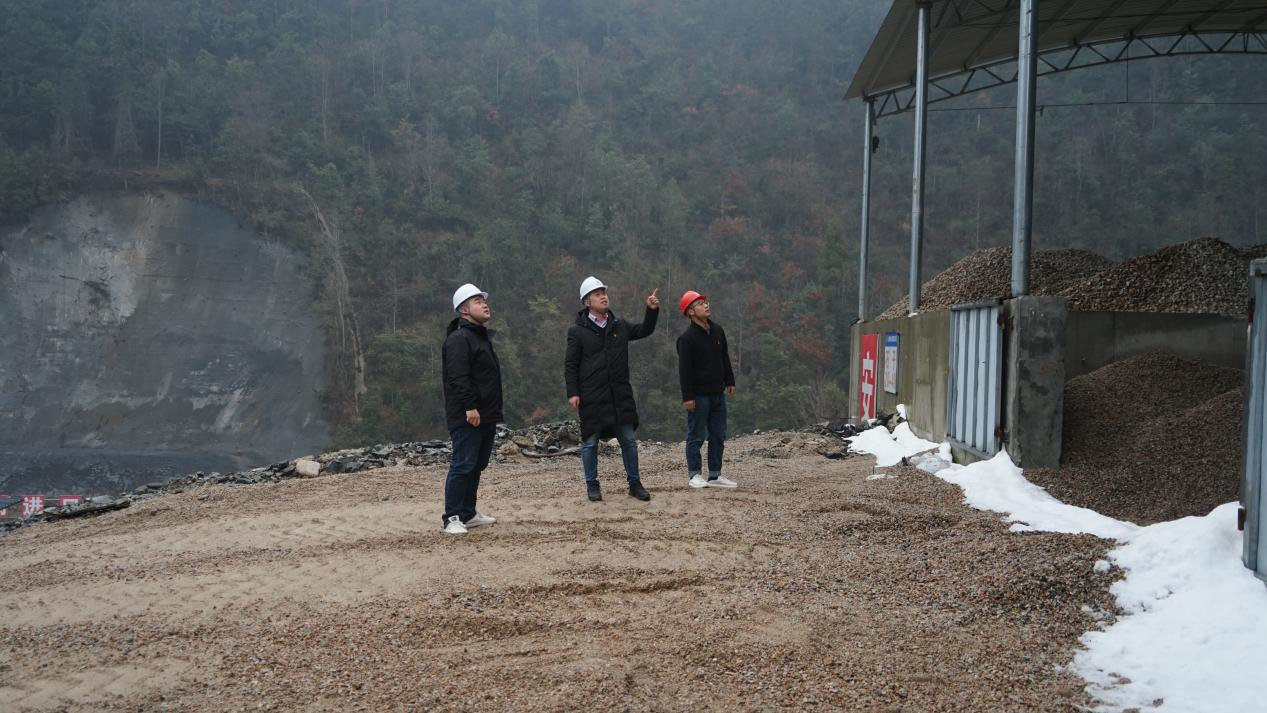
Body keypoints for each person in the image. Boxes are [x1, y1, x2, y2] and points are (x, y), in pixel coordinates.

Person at [565, 276, 660, 502]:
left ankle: (635, 484)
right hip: (592, 396)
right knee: (590, 442)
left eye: (604, 293)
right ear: (586, 301)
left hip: (619, 394)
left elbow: (644, 330)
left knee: (628, 440)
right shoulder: (577, 331)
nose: (603, 297)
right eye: (597, 294)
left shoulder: (619, 325)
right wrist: (573, 392)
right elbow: (571, 364)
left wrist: (651, 310)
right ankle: (592, 485)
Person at [440, 283, 503, 534]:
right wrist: (470, 406)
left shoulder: (479, 337)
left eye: (483, 300)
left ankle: (468, 513)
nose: (485, 304)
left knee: (477, 464)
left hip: (485, 413)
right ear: (464, 310)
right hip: (468, 414)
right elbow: (458, 376)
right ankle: (452, 517)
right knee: (463, 464)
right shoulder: (459, 338)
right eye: (478, 301)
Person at [676, 290, 737, 489]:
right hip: (698, 395)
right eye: (700, 304)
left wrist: (729, 380)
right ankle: (694, 474)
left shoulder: (718, 330)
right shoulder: (687, 339)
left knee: (718, 434)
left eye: (705, 302)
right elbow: (684, 371)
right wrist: (688, 397)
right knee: (696, 435)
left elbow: (724, 357)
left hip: (717, 392)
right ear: (691, 312)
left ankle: (715, 474)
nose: (706, 306)